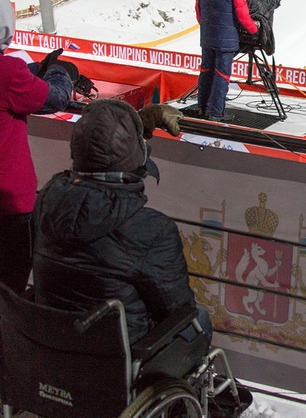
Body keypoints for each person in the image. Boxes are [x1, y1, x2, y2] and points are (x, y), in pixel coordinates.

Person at [32, 98, 213, 353]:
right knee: (199, 319)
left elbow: (102, 153)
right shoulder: (152, 230)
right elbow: (177, 309)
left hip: (53, 346)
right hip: (117, 357)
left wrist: (135, 126)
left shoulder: (47, 200)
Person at [0, 0, 76, 294]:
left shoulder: (10, 74)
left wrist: (32, 72)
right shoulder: (7, 73)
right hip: (8, 207)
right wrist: (60, 72)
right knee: (9, 292)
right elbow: (54, 98)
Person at [195, 0, 258, 121]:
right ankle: (216, 113)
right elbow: (243, 17)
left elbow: (199, 13)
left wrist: (208, 29)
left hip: (207, 38)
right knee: (221, 76)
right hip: (226, 40)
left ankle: (201, 107)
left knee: (206, 72)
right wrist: (254, 30)